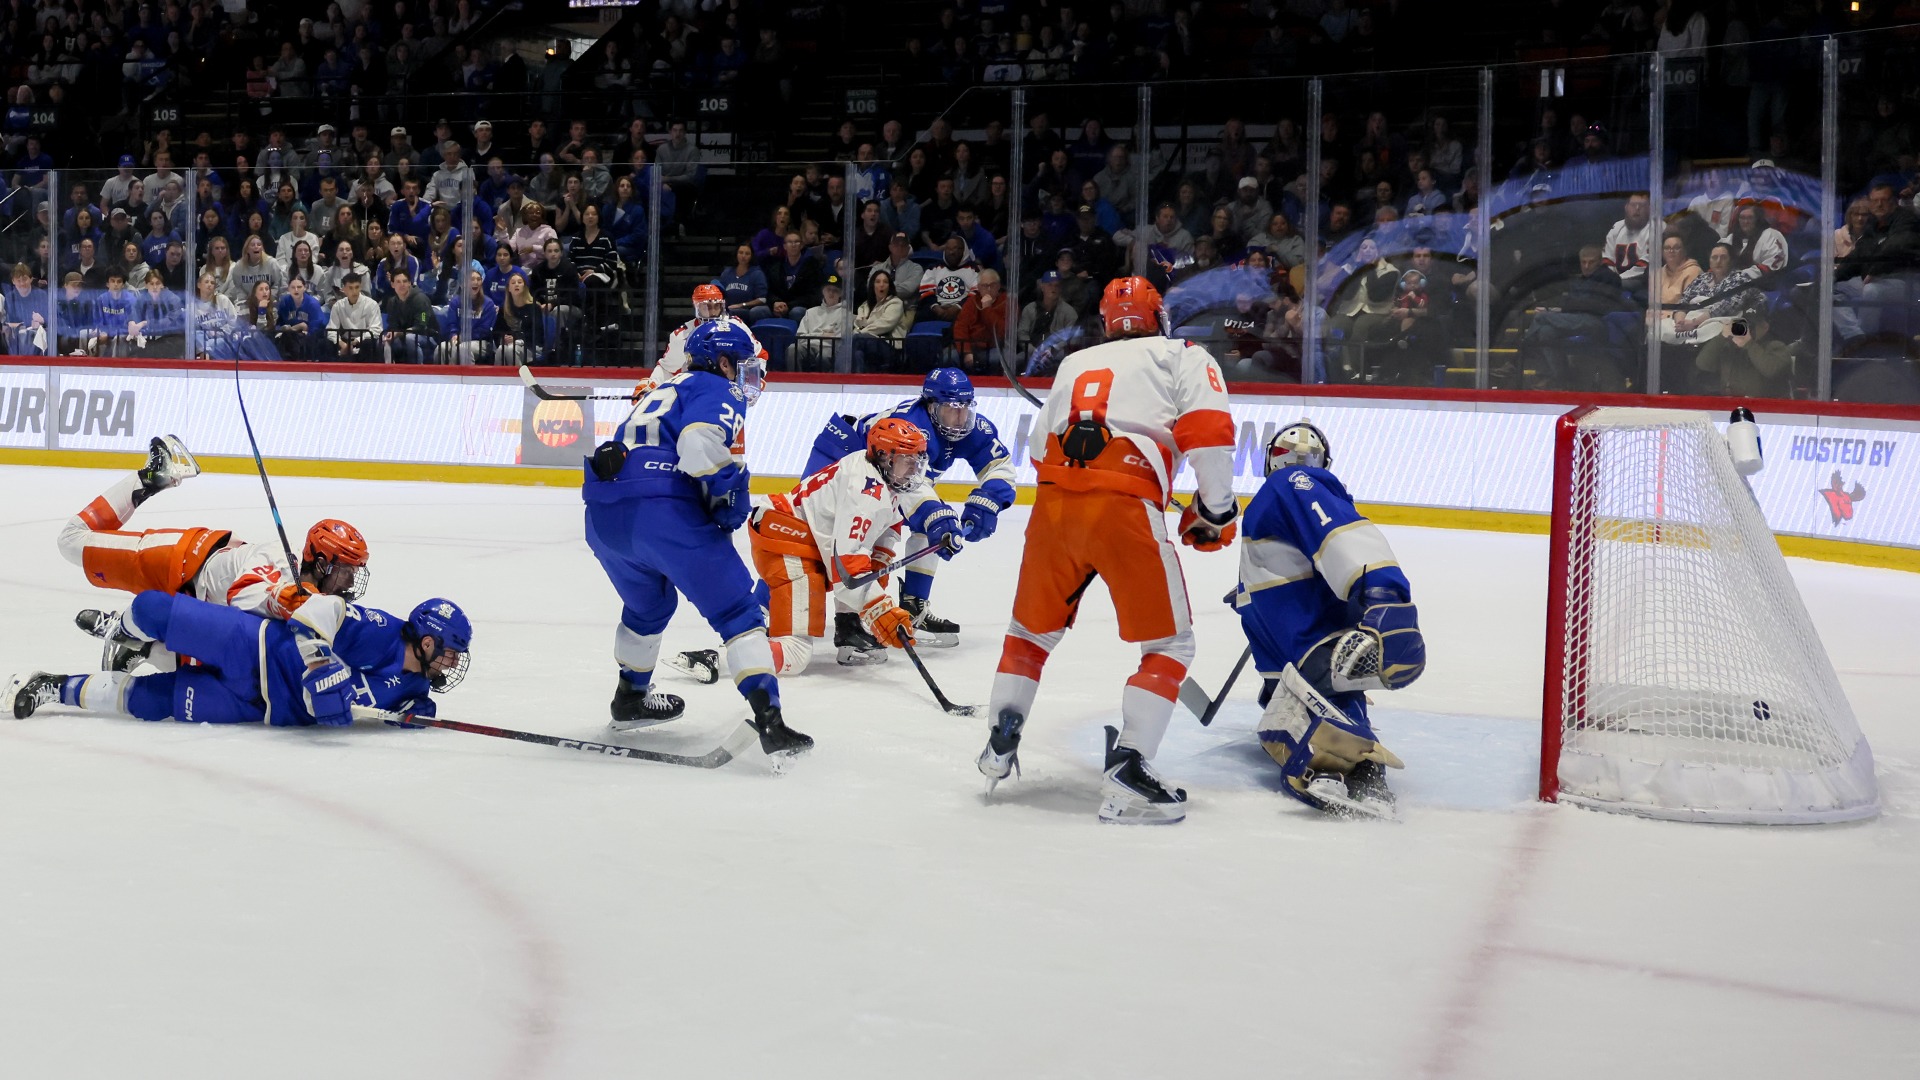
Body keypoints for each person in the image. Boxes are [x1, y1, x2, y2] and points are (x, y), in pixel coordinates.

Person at [976, 276, 1238, 825]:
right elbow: (1208, 433)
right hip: (1123, 502)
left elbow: (1035, 445)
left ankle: (1001, 738)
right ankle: (1130, 767)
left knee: (1029, 635)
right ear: (1158, 316)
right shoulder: (1183, 354)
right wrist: (1215, 510)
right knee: (1170, 644)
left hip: (1053, 505)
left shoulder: (1075, 363)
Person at [582, 321, 810, 760]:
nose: (748, 377)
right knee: (738, 612)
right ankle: (771, 721)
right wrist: (731, 492)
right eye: (743, 366)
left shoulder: (661, 390)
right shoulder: (715, 387)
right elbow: (698, 445)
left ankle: (630, 697)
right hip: (660, 512)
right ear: (723, 362)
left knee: (648, 607)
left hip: (604, 515)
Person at [1234, 422, 1425, 819]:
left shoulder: (1291, 482)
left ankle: (1347, 766)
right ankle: (1362, 768)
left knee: (1321, 682)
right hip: (1287, 638)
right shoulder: (1276, 501)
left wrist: (1382, 589)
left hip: (1309, 632)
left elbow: (1339, 535)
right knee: (1288, 691)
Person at [55, 435, 371, 664]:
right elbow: (242, 593)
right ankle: (152, 475)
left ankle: (137, 643)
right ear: (320, 563)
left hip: (194, 603)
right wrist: (291, 599)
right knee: (71, 541)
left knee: (203, 668)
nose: (349, 582)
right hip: (177, 560)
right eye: (345, 570)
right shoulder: (277, 559)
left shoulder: (314, 599)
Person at [7, 590, 469, 731]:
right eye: (448, 651)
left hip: (257, 707)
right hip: (253, 645)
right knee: (154, 608)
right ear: (426, 642)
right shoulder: (382, 630)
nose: (451, 663)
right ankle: (120, 628)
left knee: (149, 702)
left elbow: (404, 715)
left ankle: (53, 685)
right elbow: (320, 610)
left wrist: (412, 717)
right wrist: (317, 662)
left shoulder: (416, 689)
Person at [802, 368, 1015, 647]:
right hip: (840, 455)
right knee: (812, 537)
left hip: (887, 478)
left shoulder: (972, 428)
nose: (960, 419)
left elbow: (999, 464)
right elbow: (911, 487)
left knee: (921, 527)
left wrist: (990, 499)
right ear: (931, 406)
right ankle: (766, 609)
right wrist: (936, 515)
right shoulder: (912, 424)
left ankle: (912, 608)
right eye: (952, 410)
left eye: (965, 409)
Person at [735, 418, 962, 674]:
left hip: (802, 537)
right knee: (794, 652)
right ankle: (721, 658)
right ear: (884, 456)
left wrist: (877, 584)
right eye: (907, 462)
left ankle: (848, 629)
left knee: (863, 576)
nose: (913, 471)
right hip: (786, 535)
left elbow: (884, 533)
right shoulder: (865, 492)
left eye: (918, 462)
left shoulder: (884, 475)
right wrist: (881, 609)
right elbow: (848, 574)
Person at [1694, 308, 1792, 397]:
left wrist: (1749, 344)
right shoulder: (1729, 346)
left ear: (1765, 327)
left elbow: (1771, 370)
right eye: (1745, 325)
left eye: (1752, 326)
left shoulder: (1776, 347)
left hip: (1766, 408)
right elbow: (1703, 364)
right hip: (1730, 405)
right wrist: (1722, 337)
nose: (1748, 329)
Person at [949, 268, 1010, 374]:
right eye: (984, 286)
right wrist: (966, 352)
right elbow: (961, 327)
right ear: (978, 287)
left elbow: (1002, 332)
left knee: (996, 359)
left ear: (999, 286)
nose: (989, 289)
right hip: (972, 347)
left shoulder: (1007, 303)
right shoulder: (971, 302)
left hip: (994, 347)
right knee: (949, 356)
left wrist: (987, 309)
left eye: (993, 285)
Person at [1601, 192, 1657, 302]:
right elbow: (1607, 258)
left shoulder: (1657, 227)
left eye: (1642, 205)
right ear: (1626, 207)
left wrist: (1616, 280)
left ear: (1650, 208)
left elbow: (1647, 263)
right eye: (1633, 205)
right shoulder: (1617, 227)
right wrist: (1611, 278)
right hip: (1617, 280)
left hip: (1641, 280)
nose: (1637, 209)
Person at [854, 269, 909, 371]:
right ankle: (857, 381)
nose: (882, 285)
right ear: (872, 285)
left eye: (885, 282)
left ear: (889, 286)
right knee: (857, 354)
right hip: (867, 343)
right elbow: (858, 323)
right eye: (878, 281)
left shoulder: (895, 303)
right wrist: (859, 333)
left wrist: (862, 332)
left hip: (890, 347)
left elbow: (884, 324)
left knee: (856, 340)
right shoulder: (864, 306)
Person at [793, 274, 847, 370]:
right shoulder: (810, 312)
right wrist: (824, 334)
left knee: (824, 355)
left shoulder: (845, 314)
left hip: (830, 348)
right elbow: (800, 337)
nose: (831, 293)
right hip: (808, 346)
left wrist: (813, 335)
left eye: (835, 290)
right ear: (823, 291)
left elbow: (840, 339)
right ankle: (792, 381)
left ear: (841, 293)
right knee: (793, 349)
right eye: (828, 289)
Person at [382, 268, 436, 362]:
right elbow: (393, 325)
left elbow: (421, 325)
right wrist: (391, 334)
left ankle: (417, 371)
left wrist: (400, 333)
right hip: (404, 335)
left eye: (405, 281)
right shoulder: (392, 302)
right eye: (398, 282)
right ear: (392, 284)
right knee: (386, 340)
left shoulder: (421, 299)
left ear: (410, 283)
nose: (402, 285)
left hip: (428, 336)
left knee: (410, 338)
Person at [326, 272, 383, 361]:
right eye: (350, 288)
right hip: (345, 341)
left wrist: (355, 341)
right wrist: (342, 344)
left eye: (357, 287)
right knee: (326, 343)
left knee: (368, 343)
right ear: (344, 289)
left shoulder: (372, 304)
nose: (354, 291)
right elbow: (331, 330)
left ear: (361, 287)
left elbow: (376, 330)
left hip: (363, 341)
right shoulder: (338, 306)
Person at [274, 275, 325, 359]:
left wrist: (303, 332)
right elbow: (280, 323)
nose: (296, 290)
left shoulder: (313, 304)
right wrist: (298, 327)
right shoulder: (284, 302)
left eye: (299, 287)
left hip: (308, 340)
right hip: (289, 338)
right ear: (288, 289)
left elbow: (317, 326)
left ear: (305, 288)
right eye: (293, 287)